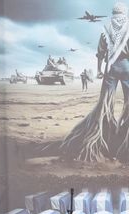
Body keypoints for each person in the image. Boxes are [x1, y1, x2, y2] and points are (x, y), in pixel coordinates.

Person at [56, 3, 129, 162]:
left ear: (113, 13)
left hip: (110, 67)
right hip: (127, 67)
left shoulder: (106, 28)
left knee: (105, 104)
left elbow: (100, 52)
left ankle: (103, 139)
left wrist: (98, 70)